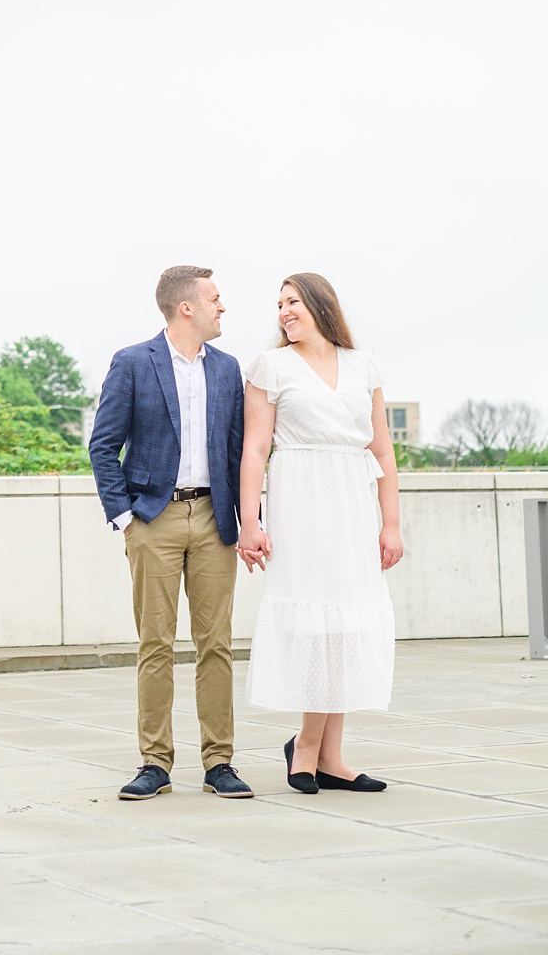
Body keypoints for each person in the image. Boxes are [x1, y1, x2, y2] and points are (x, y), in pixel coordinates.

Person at [86, 265, 254, 802]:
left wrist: (247, 521)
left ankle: (219, 762)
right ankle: (154, 763)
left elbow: (238, 451)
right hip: (153, 520)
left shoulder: (228, 370)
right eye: (215, 298)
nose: (222, 307)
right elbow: (103, 445)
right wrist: (125, 517)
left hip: (213, 519)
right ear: (187, 307)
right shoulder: (134, 362)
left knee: (216, 645)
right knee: (155, 645)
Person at [237, 272, 400, 793]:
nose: (284, 311)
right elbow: (255, 449)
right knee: (316, 625)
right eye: (279, 304)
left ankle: (329, 754)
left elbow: (382, 450)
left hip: (352, 502)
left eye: (293, 302)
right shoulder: (271, 366)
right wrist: (251, 520)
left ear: (320, 305)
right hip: (301, 502)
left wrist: (391, 523)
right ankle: (307, 746)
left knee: (348, 627)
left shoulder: (363, 365)